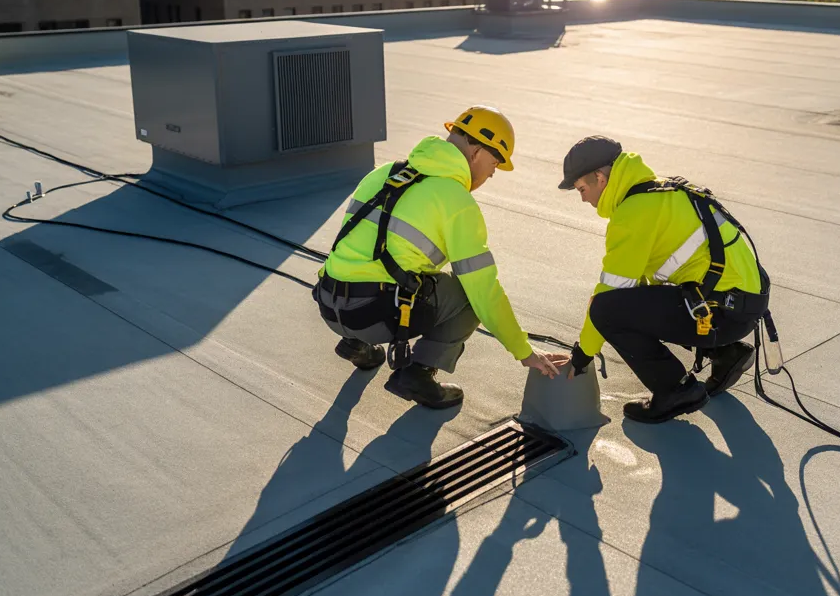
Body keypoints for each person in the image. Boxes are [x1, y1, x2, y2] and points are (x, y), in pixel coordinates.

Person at [314, 105, 567, 409]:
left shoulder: (385, 172)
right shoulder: (456, 201)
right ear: (476, 152)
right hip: (373, 314)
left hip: (329, 304)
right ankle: (418, 375)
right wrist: (525, 352)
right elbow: (484, 292)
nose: (493, 173)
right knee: (467, 297)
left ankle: (358, 345)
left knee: (381, 266)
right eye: (495, 162)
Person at [561, 136, 771, 424]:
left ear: (599, 177)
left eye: (582, 189)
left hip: (726, 313)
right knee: (650, 297)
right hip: (743, 303)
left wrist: (582, 356)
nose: (583, 198)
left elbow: (609, 295)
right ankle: (726, 353)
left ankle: (677, 390)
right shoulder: (659, 190)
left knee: (605, 310)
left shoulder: (632, 214)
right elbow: (643, 290)